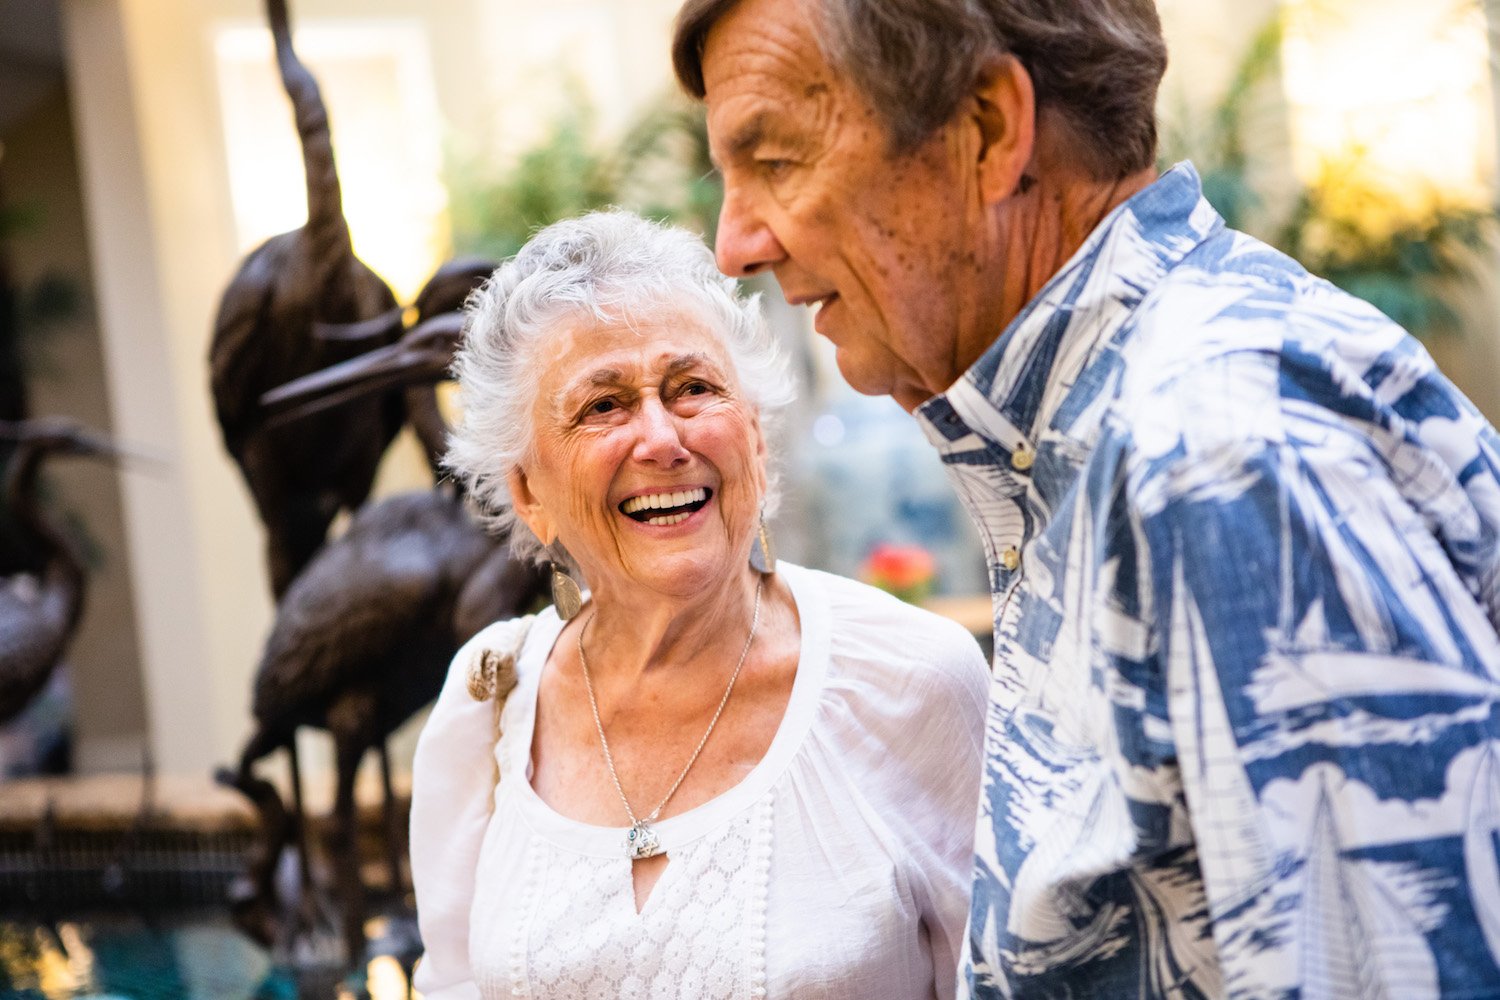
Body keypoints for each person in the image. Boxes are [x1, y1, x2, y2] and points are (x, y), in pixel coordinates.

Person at [674, 0, 1500, 997]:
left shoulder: (1212, 451)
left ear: (986, 129)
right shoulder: (1112, 426)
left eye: (777, 159)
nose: (734, 244)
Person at [408, 210, 989, 999]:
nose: (661, 439)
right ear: (527, 492)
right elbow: (452, 987)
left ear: (751, 436)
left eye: (693, 389)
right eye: (603, 406)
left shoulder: (913, 680)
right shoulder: (487, 703)